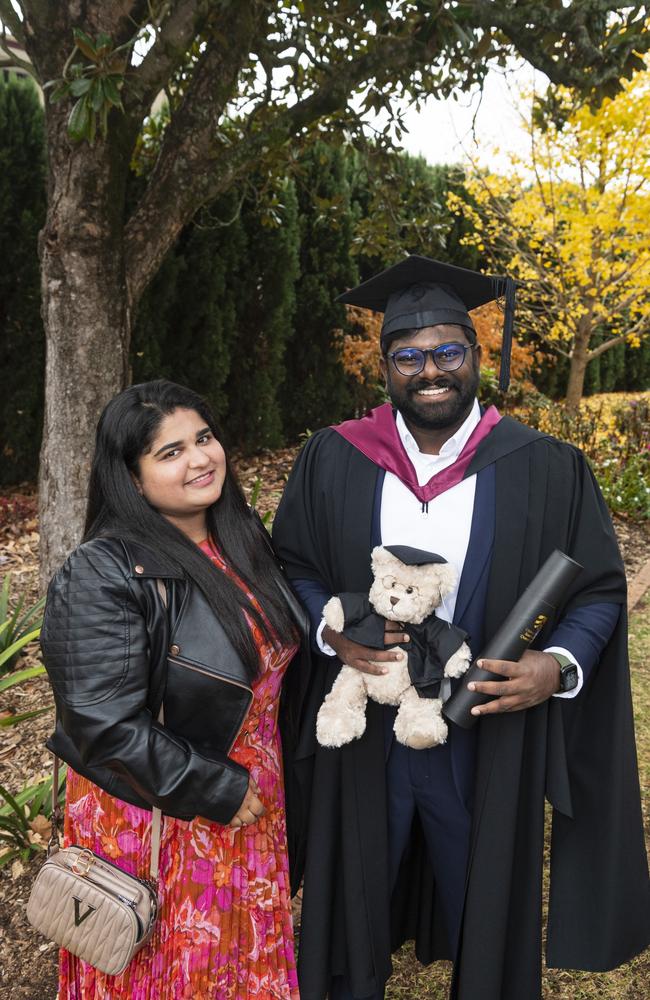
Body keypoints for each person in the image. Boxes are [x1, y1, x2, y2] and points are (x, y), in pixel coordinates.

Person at [272, 256, 650, 1000]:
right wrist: (332, 637)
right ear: (385, 366)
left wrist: (557, 666)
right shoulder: (335, 459)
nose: (429, 370)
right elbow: (292, 565)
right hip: (368, 735)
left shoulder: (545, 467)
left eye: (447, 351)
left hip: (486, 730)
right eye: (408, 357)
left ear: (477, 357)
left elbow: (600, 589)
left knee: (486, 905)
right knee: (354, 899)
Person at [40, 379, 306, 999]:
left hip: (249, 807)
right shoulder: (102, 571)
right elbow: (100, 721)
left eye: (204, 438)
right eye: (170, 452)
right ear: (131, 479)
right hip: (159, 814)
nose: (200, 459)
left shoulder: (241, 544)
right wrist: (213, 789)